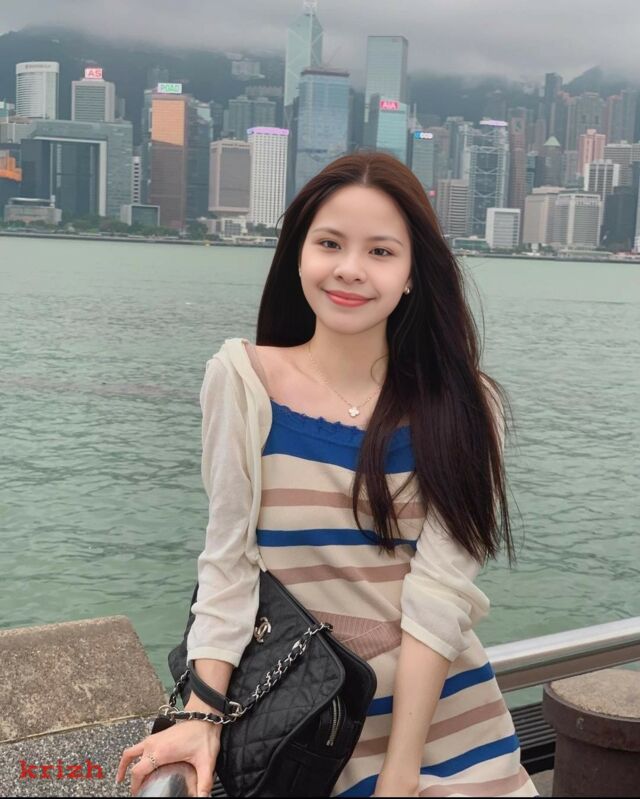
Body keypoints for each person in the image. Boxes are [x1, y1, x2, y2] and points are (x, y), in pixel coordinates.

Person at [117, 151, 539, 797]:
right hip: (304, 727)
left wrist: (400, 775)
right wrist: (202, 715)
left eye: (380, 251)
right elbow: (230, 563)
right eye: (330, 243)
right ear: (298, 254)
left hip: (448, 730)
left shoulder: (466, 405)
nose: (349, 269)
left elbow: (440, 597)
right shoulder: (243, 381)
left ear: (412, 275)